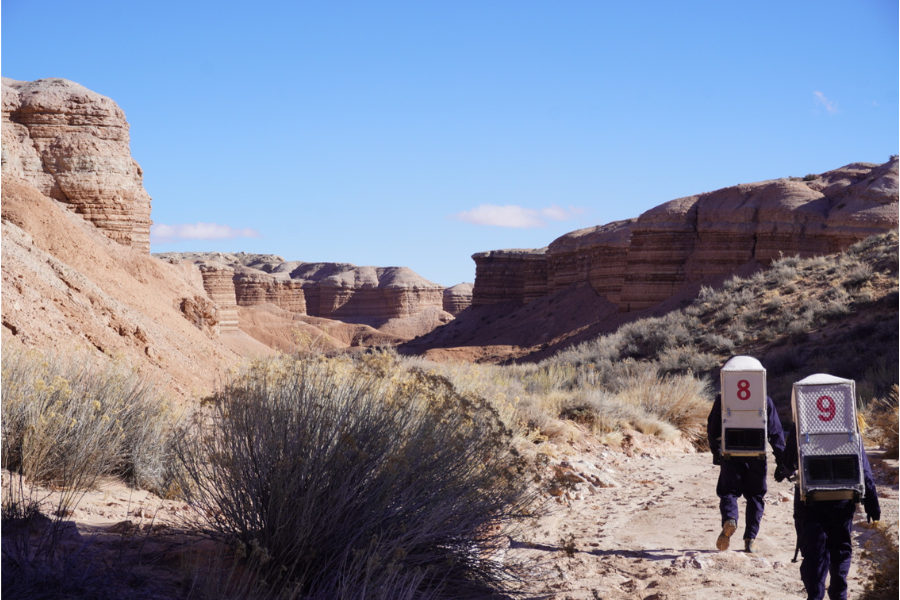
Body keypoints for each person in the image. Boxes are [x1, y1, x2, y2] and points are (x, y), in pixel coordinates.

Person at [775, 424, 880, 600]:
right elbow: (862, 464)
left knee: (813, 552)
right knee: (840, 549)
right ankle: (839, 594)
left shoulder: (802, 420)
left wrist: (783, 470)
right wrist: (872, 502)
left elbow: (790, 457)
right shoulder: (848, 422)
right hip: (842, 496)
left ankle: (815, 595)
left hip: (809, 498)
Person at [707, 390, 785, 552]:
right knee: (755, 496)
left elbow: (713, 427)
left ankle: (730, 518)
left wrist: (716, 451)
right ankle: (750, 539)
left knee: (728, 492)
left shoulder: (723, 398)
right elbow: (775, 431)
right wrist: (781, 460)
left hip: (730, 453)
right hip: (757, 455)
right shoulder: (765, 400)